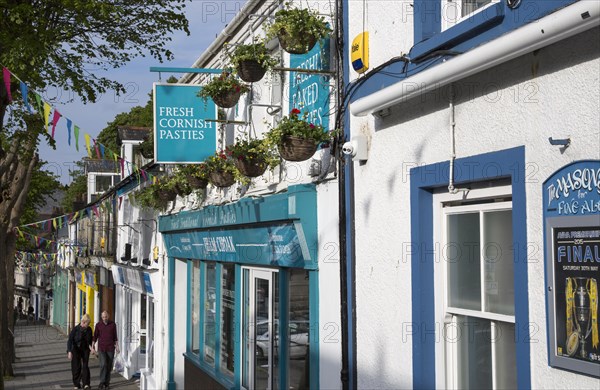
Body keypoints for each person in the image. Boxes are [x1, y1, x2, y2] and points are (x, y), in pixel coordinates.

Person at [92, 311, 119, 390]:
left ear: (108, 316)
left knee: (109, 366)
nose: (104, 318)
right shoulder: (98, 325)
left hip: (110, 348)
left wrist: (117, 347)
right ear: (101, 317)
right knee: (103, 364)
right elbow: (95, 336)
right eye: (103, 317)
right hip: (102, 348)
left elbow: (115, 337)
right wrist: (93, 347)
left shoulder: (113, 324)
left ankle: (107, 383)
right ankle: (102, 382)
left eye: (106, 317)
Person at [67, 313, 93, 390]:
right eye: (87, 323)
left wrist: (92, 348)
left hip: (85, 349)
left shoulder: (89, 330)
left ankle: (86, 384)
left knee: (85, 366)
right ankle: (76, 384)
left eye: (89, 324)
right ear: (83, 322)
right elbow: (70, 340)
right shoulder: (75, 329)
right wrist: (69, 351)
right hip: (75, 349)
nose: (88, 325)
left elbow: (90, 341)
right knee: (76, 366)